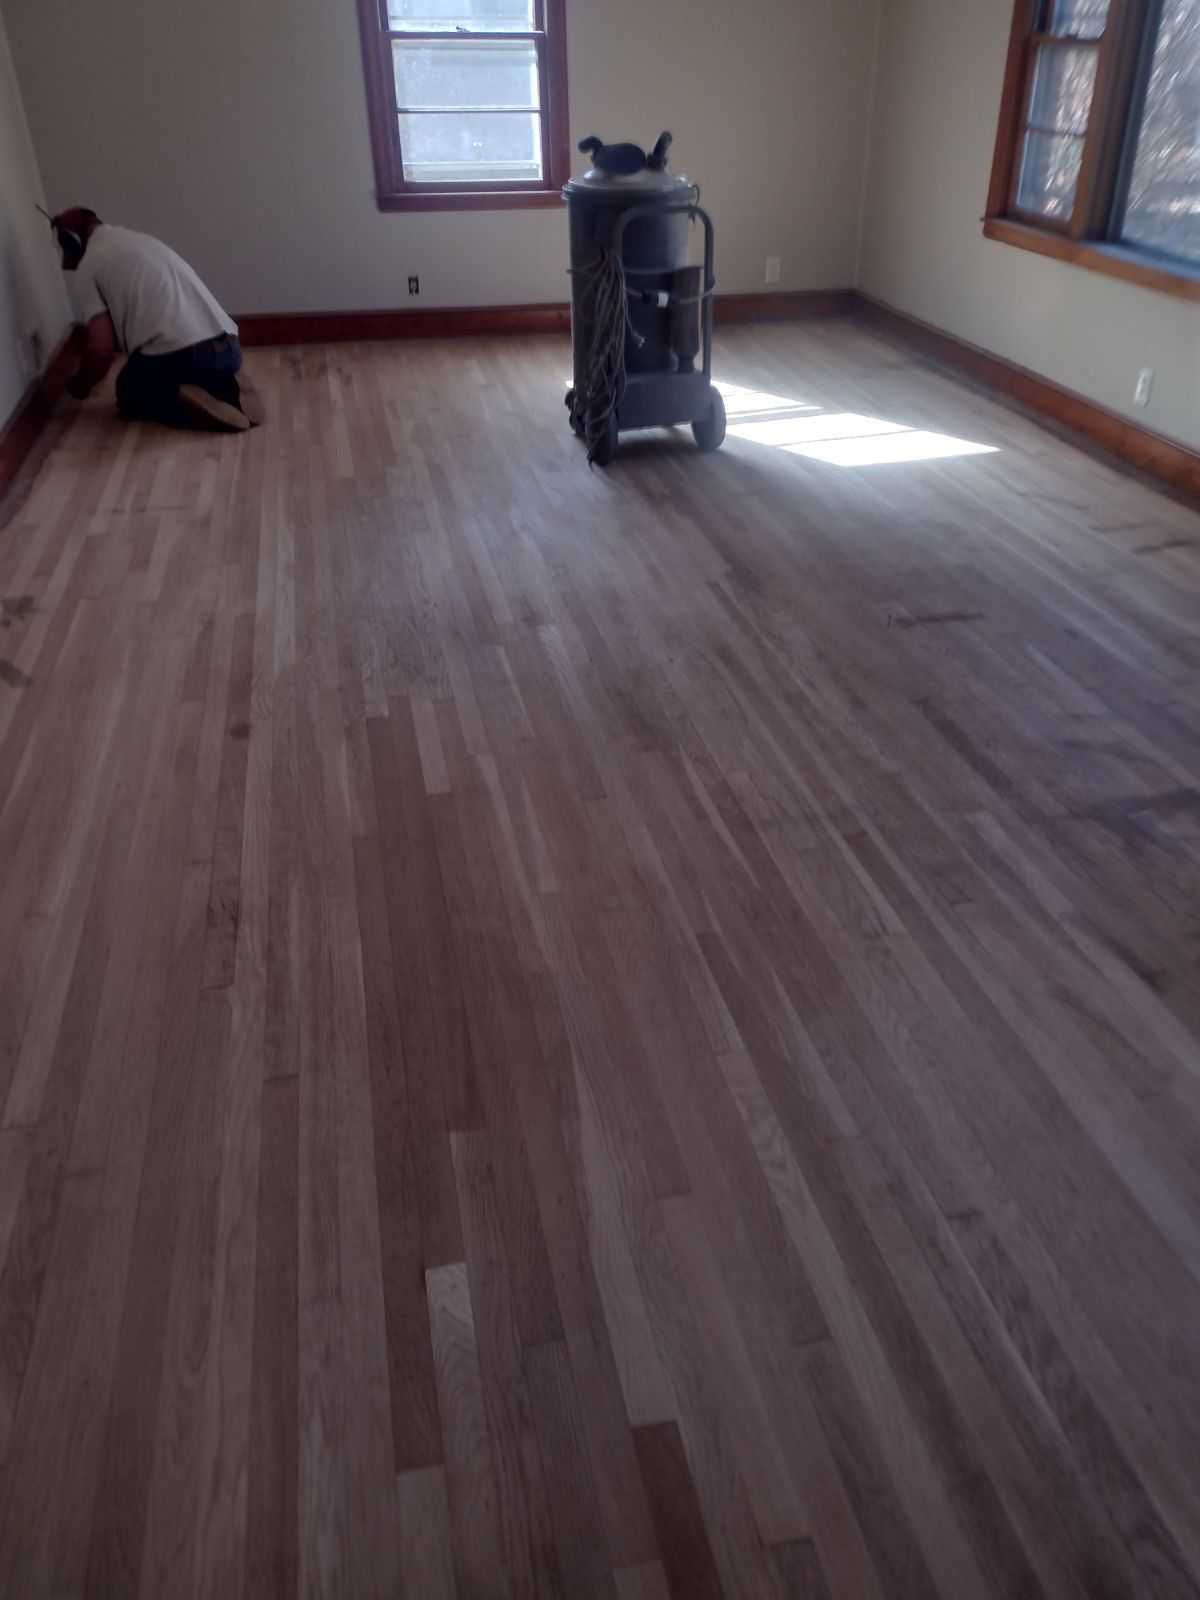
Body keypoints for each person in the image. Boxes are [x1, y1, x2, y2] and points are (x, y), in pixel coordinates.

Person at [51, 207, 263, 433]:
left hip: (184, 362)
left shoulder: (89, 265)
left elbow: (101, 350)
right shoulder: (140, 241)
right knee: (178, 368)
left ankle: (192, 409)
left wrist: (80, 384)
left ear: (70, 242)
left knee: (128, 392)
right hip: (229, 350)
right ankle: (225, 385)